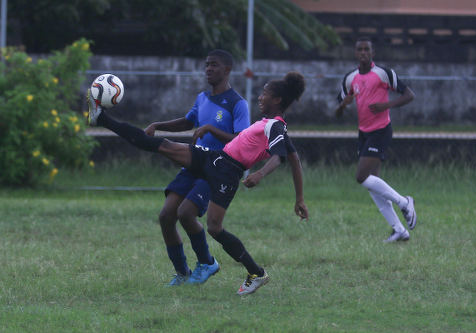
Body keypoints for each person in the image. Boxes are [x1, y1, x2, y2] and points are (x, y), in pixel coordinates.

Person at [87, 71, 309, 295]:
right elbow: (296, 160)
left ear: (277, 100)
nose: (260, 97)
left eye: (265, 94)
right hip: (214, 158)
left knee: (214, 227)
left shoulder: (276, 126)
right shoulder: (266, 123)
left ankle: (256, 273)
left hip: (228, 173)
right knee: (161, 145)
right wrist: (299, 198)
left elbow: (281, 156)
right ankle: (101, 118)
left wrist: (260, 175)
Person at [143, 50, 250, 286]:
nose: (209, 69)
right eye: (207, 65)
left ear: (227, 70)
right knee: (166, 215)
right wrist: (157, 125)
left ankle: (207, 262)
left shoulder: (237, 103)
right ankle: (182, 273)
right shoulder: (202, 98)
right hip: (193, 163)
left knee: (186, 213)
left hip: (217, 168)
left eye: (214, 65)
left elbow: (243, 140)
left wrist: (212, 129)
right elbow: (187, 122)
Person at [334, 36, 417, 243]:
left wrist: (386, 106)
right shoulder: (350, 78)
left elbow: (409, 95)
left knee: (361, 177)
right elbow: (338, 111)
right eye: (359, 49)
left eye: (366, 49)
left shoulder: (383, 74)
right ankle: (399, 230)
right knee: (373, 185)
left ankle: (404, 202)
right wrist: (344, 104)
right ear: (355, 53)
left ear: (372, 53)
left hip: (381, 130)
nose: (363, 52)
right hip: (363, 133)